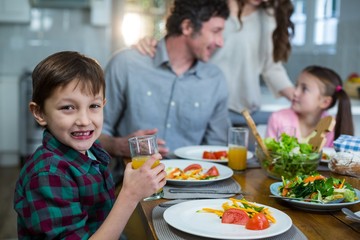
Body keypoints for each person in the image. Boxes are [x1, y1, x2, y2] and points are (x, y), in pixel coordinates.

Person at [13, 51, 166, 239]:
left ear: (103, 104)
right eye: (68, 107)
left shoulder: (91, 149)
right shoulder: (48, 175)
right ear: (39, 113)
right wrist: (130, 195)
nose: (84, 121)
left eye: (93, 106)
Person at [100, 0, 231, 161]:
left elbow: (216, 148)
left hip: (193, 182)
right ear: (188, 27)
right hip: (129, 181)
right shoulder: (126, 64)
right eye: (216, 31)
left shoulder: (215, 80)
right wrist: (117, 146)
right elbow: (94, 133)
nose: (220, 42)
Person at [134, 0, 295, 125]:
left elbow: (271, 67)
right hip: (201, 107)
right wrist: (149, 44)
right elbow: (182, 42)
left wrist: (299, 97)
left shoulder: (269, 18)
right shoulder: (212, 10)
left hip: (245, 113)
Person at [266, 65, 354, 146]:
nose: (295, 92)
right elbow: (269, 156)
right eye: (296, 85)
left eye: (304, 89)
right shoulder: (278, 118)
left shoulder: (333, 128)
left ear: (325, 102)